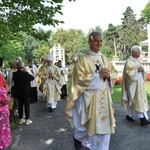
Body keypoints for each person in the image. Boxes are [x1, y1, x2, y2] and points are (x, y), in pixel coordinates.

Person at [66, 32, 118, 150]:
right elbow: (78, 79)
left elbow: (113, 72)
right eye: (96, 41)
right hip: (88, 99)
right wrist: (97, 76)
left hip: (104, 98)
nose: (99, 43)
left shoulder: (104, 58)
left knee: (105, 128)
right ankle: (78, 138)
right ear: (90, 41)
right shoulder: (82, 59)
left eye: (101, 41)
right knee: (86, 128)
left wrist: (109, 76)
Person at [121, 45, 150, 126]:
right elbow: (128, 74)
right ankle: (142, 119)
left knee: (133, 100)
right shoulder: (129, 61)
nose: (140, 53)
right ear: (134, 53)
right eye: (139, 51)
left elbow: (141, 71)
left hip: (139, 84)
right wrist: (137, 70)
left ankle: (129, 115)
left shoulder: (137, 61)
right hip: (132, 85)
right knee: (136, 100)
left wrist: (142, 71)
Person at [13, 61, 34, 125]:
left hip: (18, 92)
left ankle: (21, 119)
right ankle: (27, 119)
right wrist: (26, 71)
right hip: (26, 92)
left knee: (20, 105)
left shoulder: (14, 74)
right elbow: (32, 78)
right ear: (22, 67)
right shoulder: (25, 74)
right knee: (27, 106)